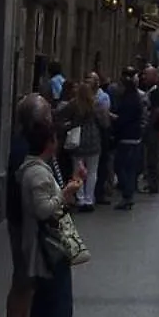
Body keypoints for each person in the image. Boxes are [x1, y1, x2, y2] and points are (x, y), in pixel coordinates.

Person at [18, 117, 84, 317]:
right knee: (57, 300)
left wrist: (72, 185)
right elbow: (44, 209)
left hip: (48, 244)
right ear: (49, 142)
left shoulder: (37, 169)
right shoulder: (37, 173)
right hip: (47, 247)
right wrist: (65, 192)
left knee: (47, 300)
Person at [1, 94, 51, 317]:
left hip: (24, 221)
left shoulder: (25, 144)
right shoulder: (24, 150)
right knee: (23, 281)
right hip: (24, 223)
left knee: (27, 282)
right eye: (47, 116)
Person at [59, 81, 107, 212]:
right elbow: (104, 122)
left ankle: (80, 199)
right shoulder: (96, 104)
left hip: (78, 138)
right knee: (92, 171)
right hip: (93, 138)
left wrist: (69, 125)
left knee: (77, 171)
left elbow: (60, 115)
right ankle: (89, 199)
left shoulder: (74, 104)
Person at [109, 68, 145, 210]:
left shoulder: (129, 100)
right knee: (128, 168)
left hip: (127, 138)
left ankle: (127, 193)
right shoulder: (134, 97)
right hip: (133, 137)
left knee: (121, 166)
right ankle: (128, 194)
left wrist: (113, 117)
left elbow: (124, 118)